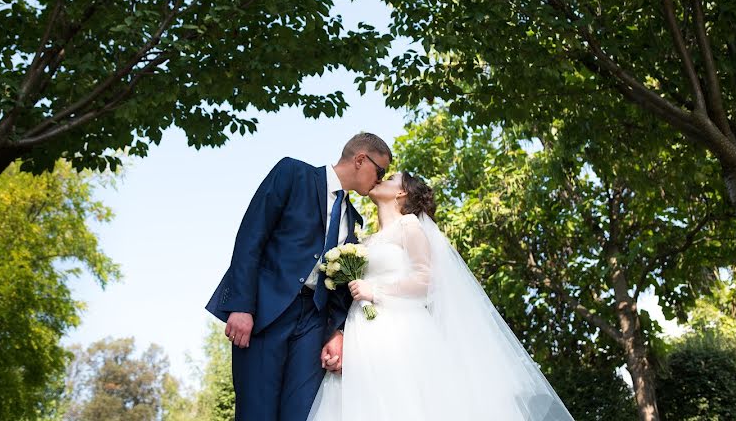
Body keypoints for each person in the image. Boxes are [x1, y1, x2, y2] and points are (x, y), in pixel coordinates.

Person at [307, 171, 575, 421]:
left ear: (401, 193)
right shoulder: (364, 242)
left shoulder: (409, 226)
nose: (380, 180)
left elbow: (426, 279)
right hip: (361, 332)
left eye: (390, 179)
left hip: (399, 332)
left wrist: (375, 291)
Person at [205, 132, 392, 421]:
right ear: (360, 160)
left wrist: (338, 332)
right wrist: (241, 306)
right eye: (380, 171)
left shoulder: (353, 219)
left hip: (313, 323)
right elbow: (251, 237)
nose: (379, 180)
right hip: (266, 312)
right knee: (257, 412)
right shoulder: (293, 173)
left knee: (305, 414)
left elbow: (341, 283)